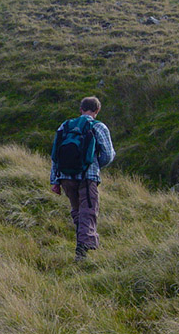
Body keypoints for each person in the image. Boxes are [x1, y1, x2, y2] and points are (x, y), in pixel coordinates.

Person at [50, 96, 115, 262]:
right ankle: (83, 248)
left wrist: (55, 180)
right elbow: (108, 154)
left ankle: (83, 244)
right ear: (97, 111)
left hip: (65, 176)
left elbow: (55, 155)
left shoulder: (65, 126)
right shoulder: (98, 126)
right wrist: (94, 165)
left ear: (81, 109)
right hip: (87, 176)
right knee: (89, 210)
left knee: (77, 210)